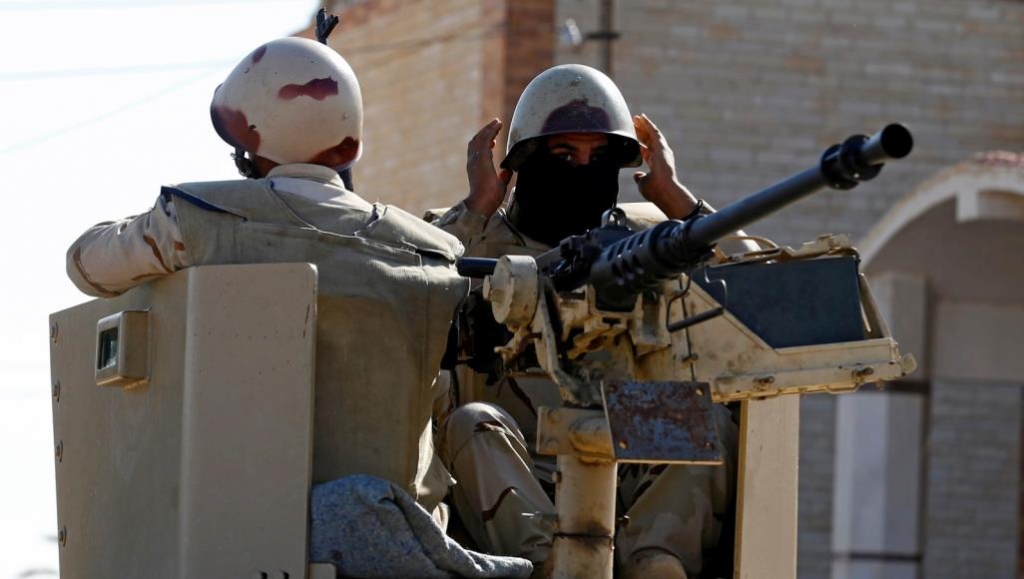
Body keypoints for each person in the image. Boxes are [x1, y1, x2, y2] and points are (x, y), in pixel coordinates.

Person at [66, 37, 471, 528]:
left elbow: (85, 264)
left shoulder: (197, 221)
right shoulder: (434, 255)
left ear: (253, 139)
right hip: (400, 532)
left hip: (238, 527)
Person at [428, 64, 753, 579]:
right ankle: (549, 565)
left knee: (705, 420)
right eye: (563, 156)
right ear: (527, 162)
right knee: (471, 422)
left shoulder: (647, 240)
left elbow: (756, 291)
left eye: (599, 159)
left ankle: (655, 559)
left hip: (628, 458)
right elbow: (411, 287)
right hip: (521, 463)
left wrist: (673, 197)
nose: (582, 171)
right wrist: (476, 209)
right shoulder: (466, 239)